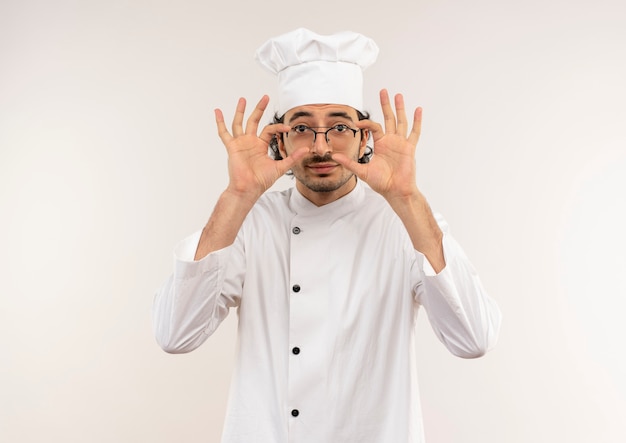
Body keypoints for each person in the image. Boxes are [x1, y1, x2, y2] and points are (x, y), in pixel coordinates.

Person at [153, 28, 501, 443]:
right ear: (279, 140)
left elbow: (474, 339)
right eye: (302, 127)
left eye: (339, 127)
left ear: (364, 138)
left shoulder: (402, 222)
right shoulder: (251, 222)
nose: (322, 147)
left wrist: (407, 197)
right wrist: (237, 196)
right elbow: (175, 335)